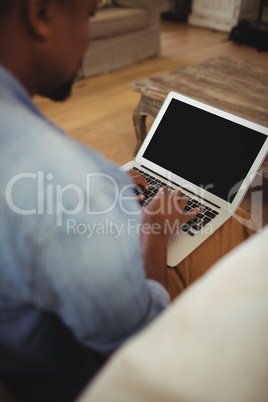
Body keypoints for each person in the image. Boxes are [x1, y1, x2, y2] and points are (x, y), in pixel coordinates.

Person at [0, 1, 256, 401]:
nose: (86, 38)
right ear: (42, 14)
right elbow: (143, 344)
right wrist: (154, 231)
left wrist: (105, 187)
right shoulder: (75, 189)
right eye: (88, 15)